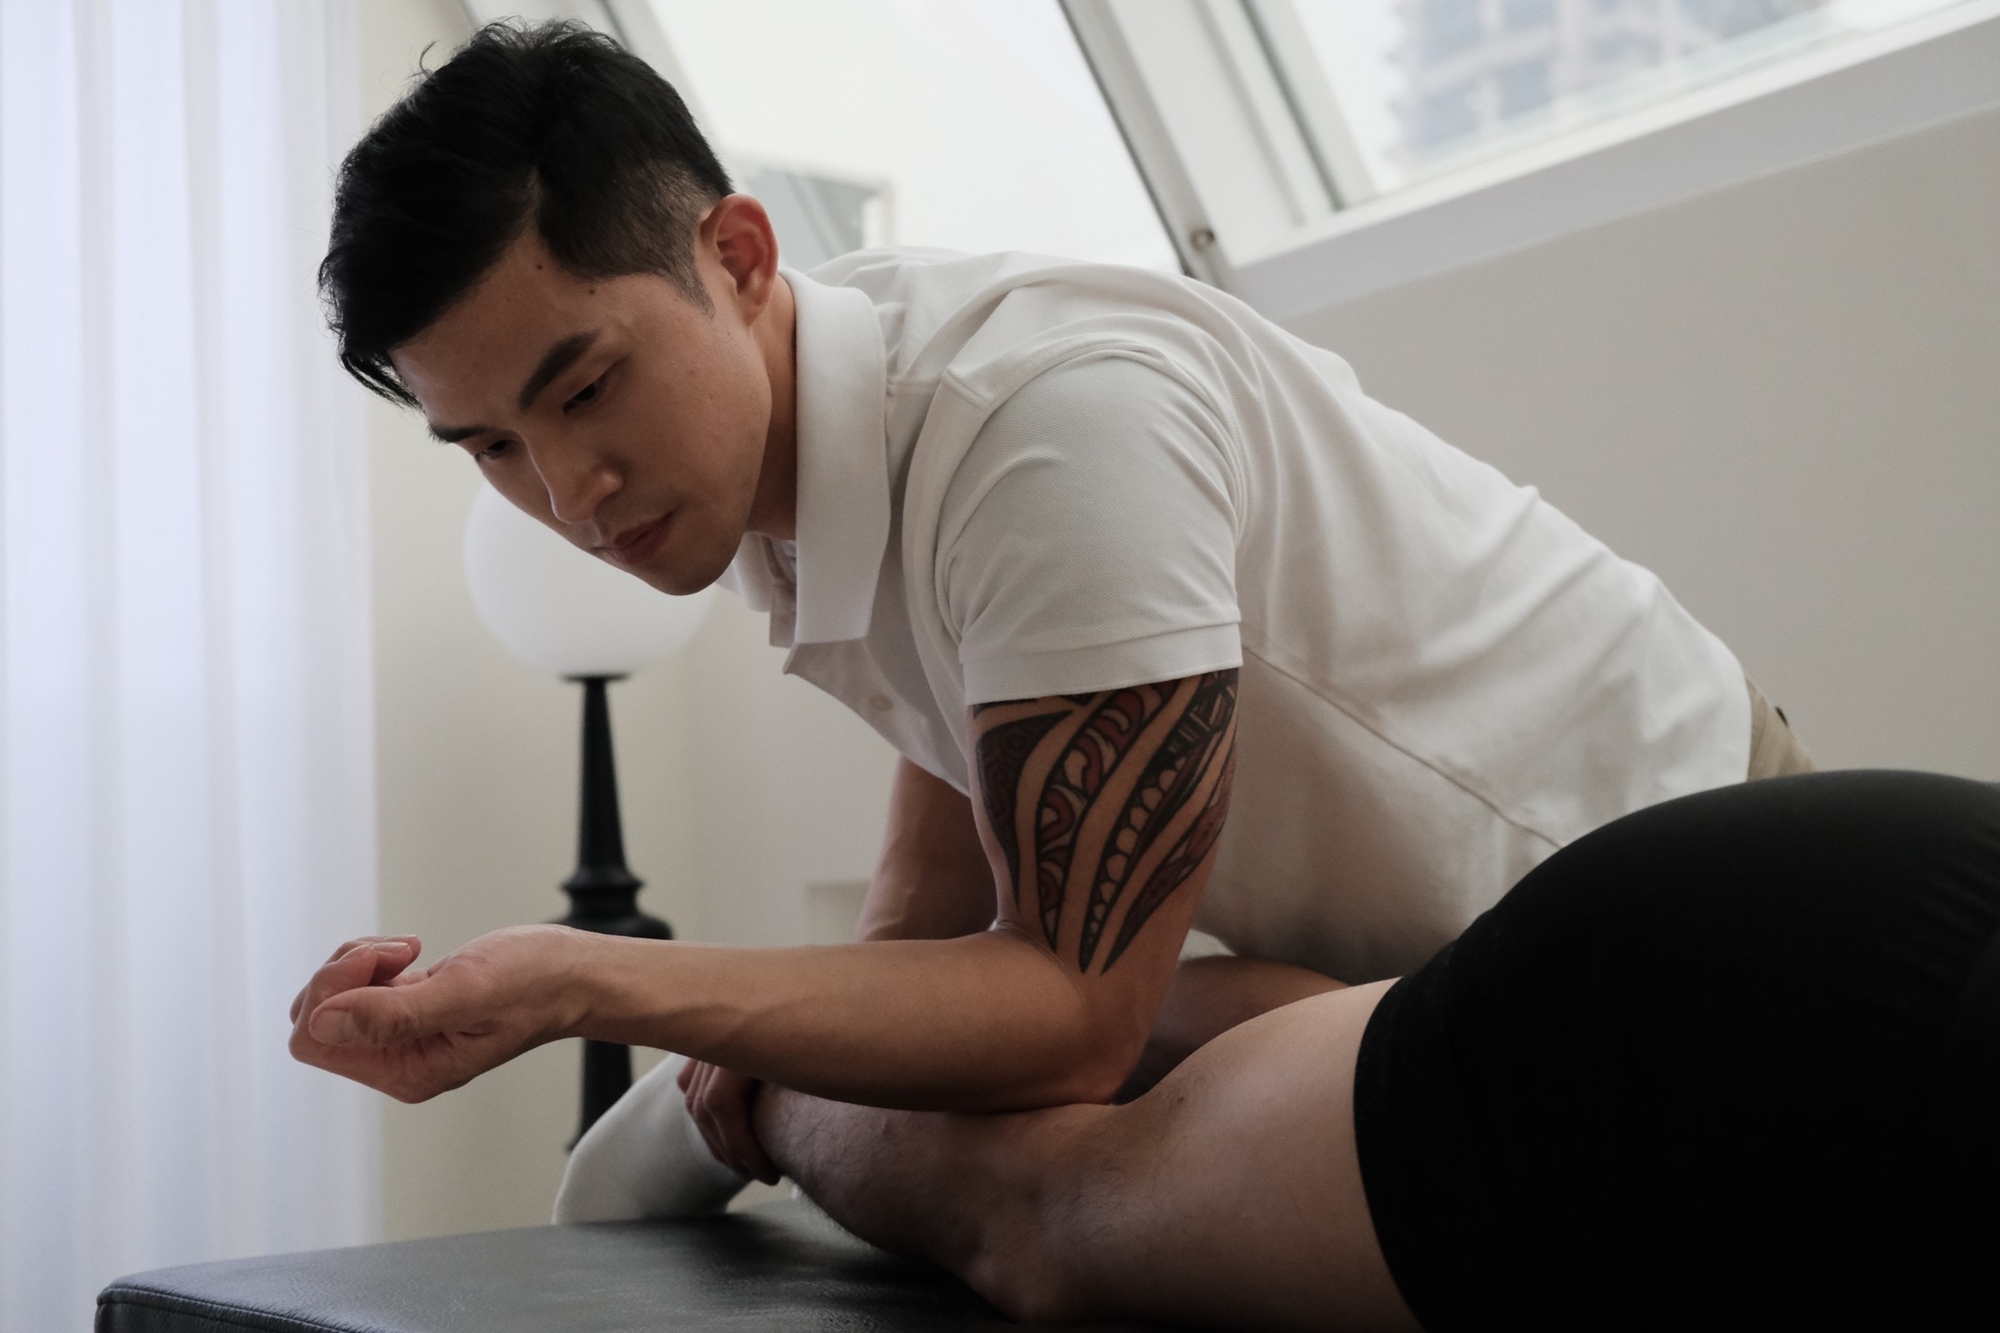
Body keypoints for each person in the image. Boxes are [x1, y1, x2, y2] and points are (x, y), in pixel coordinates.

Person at [291, 15, 1830, 1307]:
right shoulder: (802, 453)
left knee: (1051, 1168)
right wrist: (764, 1036)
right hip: (1428, 976)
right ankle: (760, 1105)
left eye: (585, 391)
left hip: (1685, 931)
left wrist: (591, 981)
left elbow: (1075, 1012)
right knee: (1018, 1053)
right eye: (491, 446)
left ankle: (761, 1111)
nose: (570, 495)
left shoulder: (1040, 425)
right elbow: (930, 917)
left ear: (741, 255)